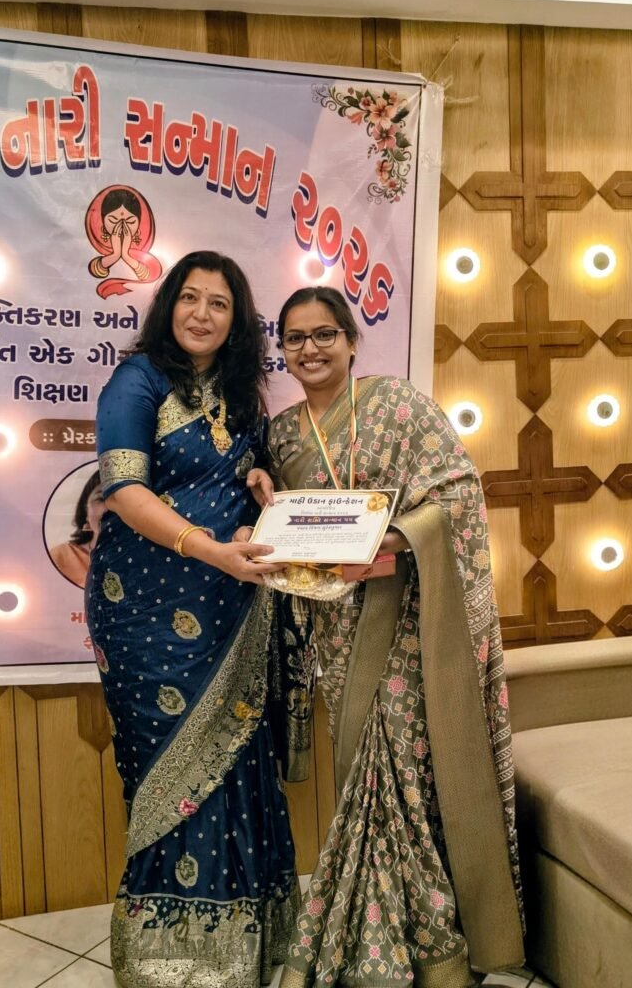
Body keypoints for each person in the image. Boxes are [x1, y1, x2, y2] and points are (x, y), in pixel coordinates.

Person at [265, 286, 525, 988]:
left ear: (351, 341)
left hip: (403, 619)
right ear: (281, 350)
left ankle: (424, 943)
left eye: (325, 334)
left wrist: (397, 539)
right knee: (359, 766)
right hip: (331, 624)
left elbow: (457, 492)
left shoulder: (399, 407)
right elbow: (282, 517)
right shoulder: (282, 434)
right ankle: (376, 934)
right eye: (295, 338)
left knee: (398, 772)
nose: (310, 349)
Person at [87, 250, 300, 987]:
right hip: (143, 609)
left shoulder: (240, 395)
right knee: (165, 769)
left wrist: (257, 486)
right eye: (189, 297)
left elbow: (241, 484)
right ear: (168, 306)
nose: (201, 314)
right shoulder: (138, 380)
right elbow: (124, 492)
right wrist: (211, 549)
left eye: (219, 303)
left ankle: (244, 946)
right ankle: (168, 956)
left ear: (236, 322)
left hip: (226, 602)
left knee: (237, 758)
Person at [48, 467, 105, 588]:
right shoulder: (61, 556)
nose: (111, 507)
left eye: (122, 500)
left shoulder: (142, 558)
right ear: (86, 510)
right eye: (101, 499)